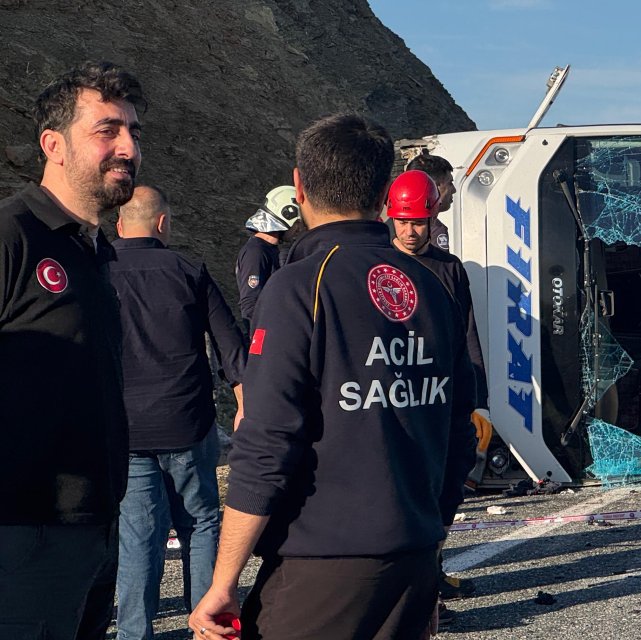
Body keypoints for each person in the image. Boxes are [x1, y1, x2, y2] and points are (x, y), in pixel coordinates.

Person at [188, 113, 477, 639]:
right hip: (412, 554)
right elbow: (460, 428)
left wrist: (223, 579)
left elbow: (267, 440)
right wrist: (432, 531)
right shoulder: (434, 287)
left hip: (322, 559)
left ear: (299, 186)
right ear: (384, 193)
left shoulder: (299, 286)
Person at [0, 61, 143, 639]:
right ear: (53, 145)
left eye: (134, 131)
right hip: (24, 534)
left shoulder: (97, 253)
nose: (129, 147)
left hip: (96, 527)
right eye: (107, 130)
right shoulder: (13, 236)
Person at [109, 186, 247, 639]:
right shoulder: (189, 269)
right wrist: (244, 405)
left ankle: (134, 633)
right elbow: (230, 347)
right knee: (202, 523)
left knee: (138, 536)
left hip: (126, 429)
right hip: (187, 422)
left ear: (119, 225)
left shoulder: (98, 269)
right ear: (163, 223)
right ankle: (209, 629)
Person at [386, 169, 490, 620]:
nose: (411, 232)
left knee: (446, 493)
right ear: (390, 218)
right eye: (403, 222)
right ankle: (410, 598)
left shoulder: (449, 270)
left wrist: (476, 396)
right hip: (396, 406)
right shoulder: (377, 267)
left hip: (445, 401)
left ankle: (430, 580)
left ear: (433, 219)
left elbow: (466, 334)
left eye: (419, 223)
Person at [235, 185, 300, 326]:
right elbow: (250, 304)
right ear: (286, 215)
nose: (298, 228)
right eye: (297, 222)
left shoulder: (271, 250)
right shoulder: (256, 252)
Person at [406, 153, 456, 252]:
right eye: (450, 183)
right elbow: (440, 266)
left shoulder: (391, 225)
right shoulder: (434, 228)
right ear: (434, 186)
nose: (454, 190)